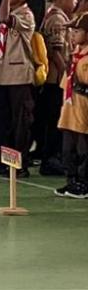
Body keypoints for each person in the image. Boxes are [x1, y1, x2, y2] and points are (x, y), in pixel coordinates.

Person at [0, 0, 38, 178]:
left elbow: (3, 18)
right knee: (4, 121)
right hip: (4, 75)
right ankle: (6, 160)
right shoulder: (14, 12)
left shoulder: (25, 15)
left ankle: (21, 163)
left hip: (19, 76)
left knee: (21, 122)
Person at [34, 0, 78, 176]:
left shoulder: (56, 16)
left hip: (54, 79)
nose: (75, 0)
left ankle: (48, 155)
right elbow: (56, 51)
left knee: (49, 120)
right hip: (55, 79)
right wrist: (67, 75)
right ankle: (51, 159)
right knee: (54, 121)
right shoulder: (57, 19)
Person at [55, 13, 88, 198]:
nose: (73, 35)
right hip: (69, 112)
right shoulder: (75, 56)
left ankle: (84, 182)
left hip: (83, 113)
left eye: (78, 31)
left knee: (84, 150)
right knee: (68, 150)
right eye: (72, 31)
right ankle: (71, 180)